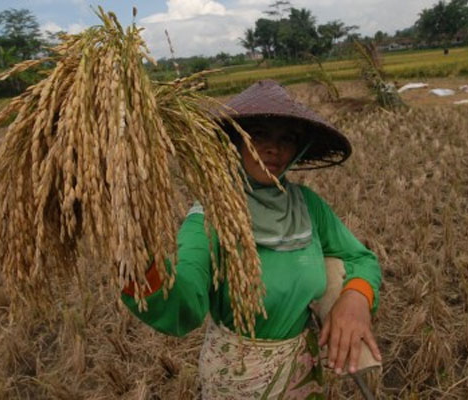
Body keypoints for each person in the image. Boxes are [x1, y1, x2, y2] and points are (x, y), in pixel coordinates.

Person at [121, 80, 382, 399]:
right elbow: (183, 306)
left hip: (302, 374)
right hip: (239, 383)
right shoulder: (211, 217)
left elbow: (360, 258)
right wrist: (139, 263)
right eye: (258, 134)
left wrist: (355, 299)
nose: (275, 149)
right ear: (233, 142)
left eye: (287, 138)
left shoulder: (306, 206)